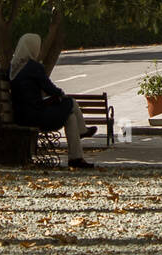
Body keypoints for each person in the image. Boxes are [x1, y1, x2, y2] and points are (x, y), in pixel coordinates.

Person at [8, 33, 98, 169]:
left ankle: (76, 158)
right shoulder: (32, 67)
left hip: (22, 115)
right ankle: (82, 132)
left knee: (71, 118)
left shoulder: (14, 67)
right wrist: (60, 94)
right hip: (35, 116)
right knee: (70, 102)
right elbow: (50, 89)